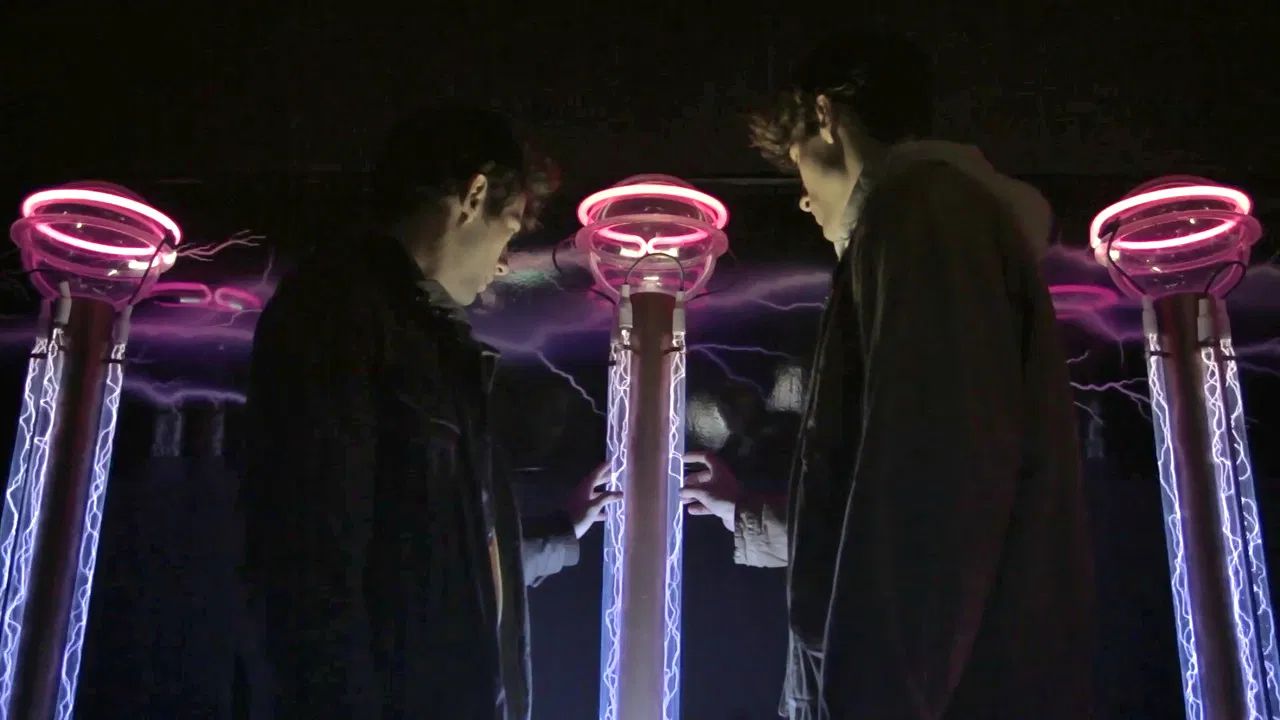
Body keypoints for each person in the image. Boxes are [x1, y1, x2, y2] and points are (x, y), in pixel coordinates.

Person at [681, 33, 1092, 719]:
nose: (804, 202)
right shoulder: (929, 222)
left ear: (825, 117)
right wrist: (744, 513)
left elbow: (932, 492)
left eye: (799, 168)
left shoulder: (921, 213)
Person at [237, 104, 616, 720]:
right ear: (474, 195)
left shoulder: (425, 343)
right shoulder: (342, 315)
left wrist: (562, 531)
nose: (503, 262)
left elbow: (436, 558)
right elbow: (310, 562)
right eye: (508, 229)